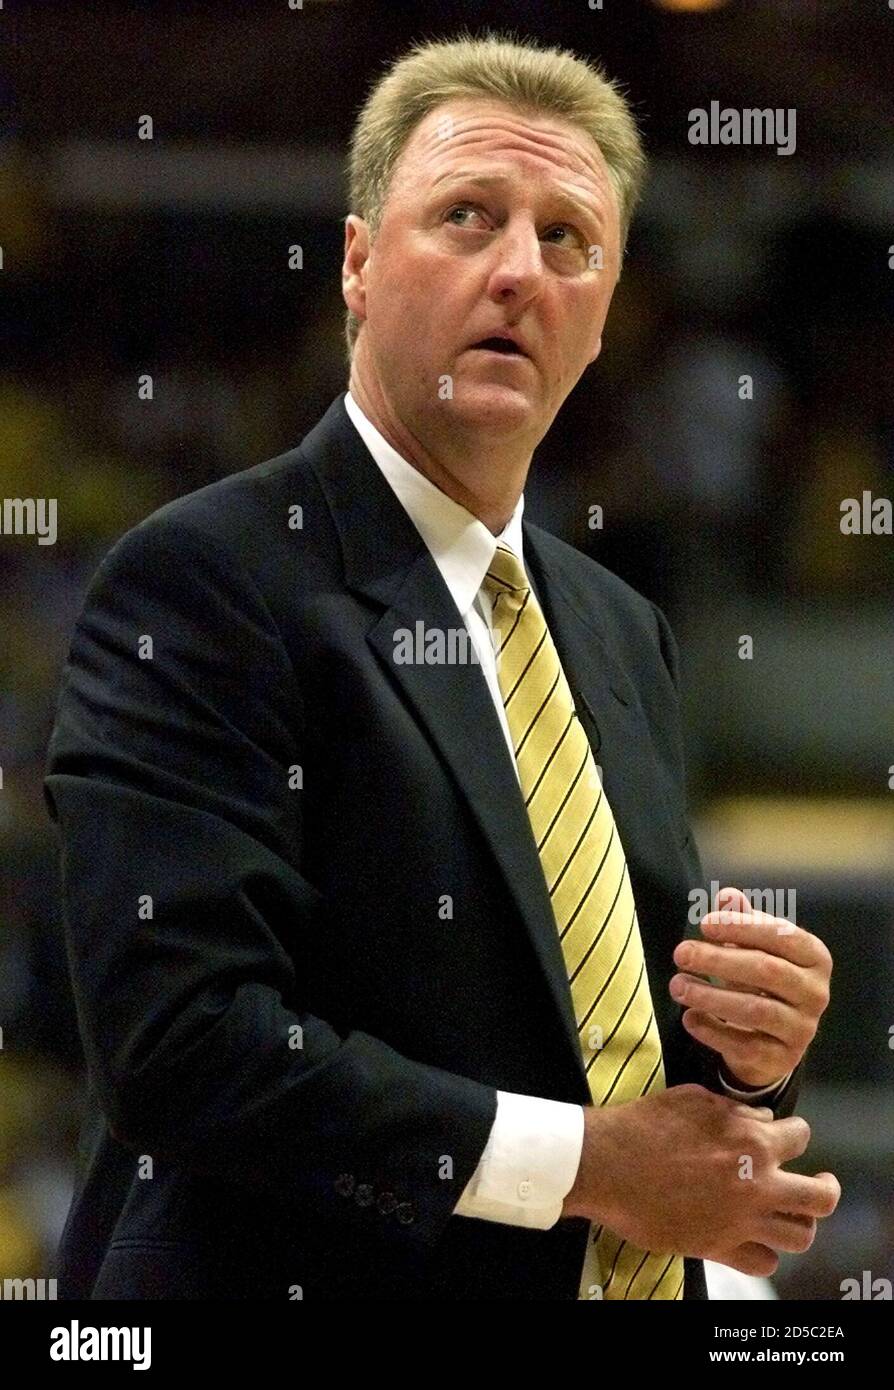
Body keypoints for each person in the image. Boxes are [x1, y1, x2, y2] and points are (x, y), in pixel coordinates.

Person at [44, 32, 838, 1301]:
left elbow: (597, 1035)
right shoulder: (204, 579)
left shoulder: (623, 627)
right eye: (468, 217)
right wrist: (589, 1166)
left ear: (606, 315)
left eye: (569, 239)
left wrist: (745, 1054)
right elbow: (180, 1046)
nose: (520, 270)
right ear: (357, 265)